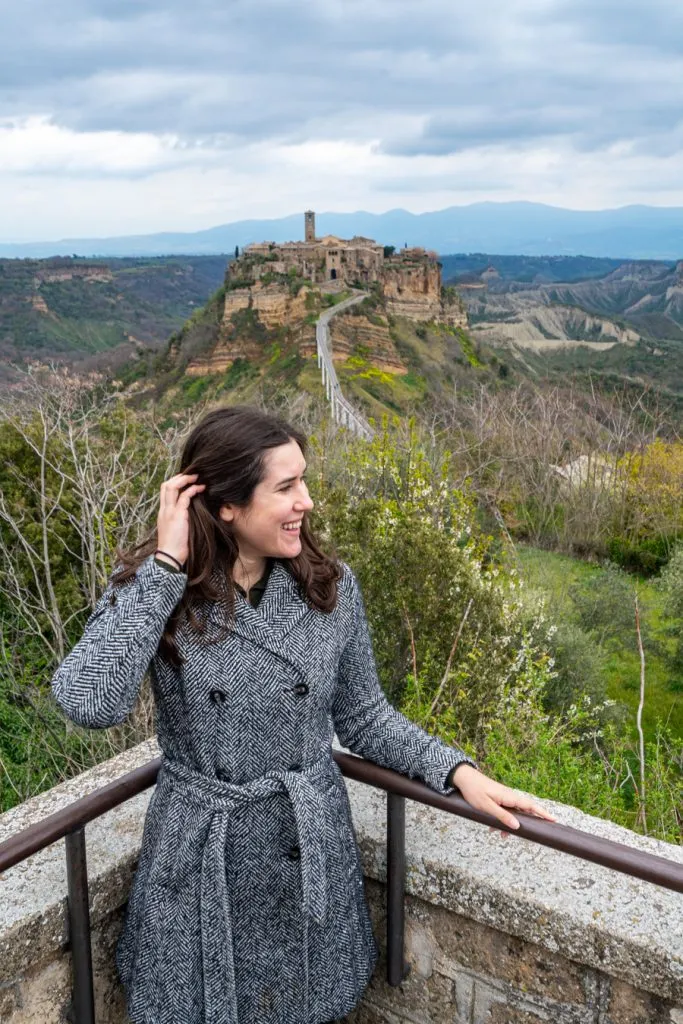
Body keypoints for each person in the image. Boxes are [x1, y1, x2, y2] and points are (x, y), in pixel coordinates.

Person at [51, 404, 555, 1024]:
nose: (307, 502)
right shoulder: (157, 590)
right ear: (227, 504)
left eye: (304, 481)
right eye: (286, 487)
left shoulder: (330, 586)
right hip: (200, 852)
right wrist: (164, 567)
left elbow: (365, 716)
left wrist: (456, 772)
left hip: (304, 844)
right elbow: (88, 701)